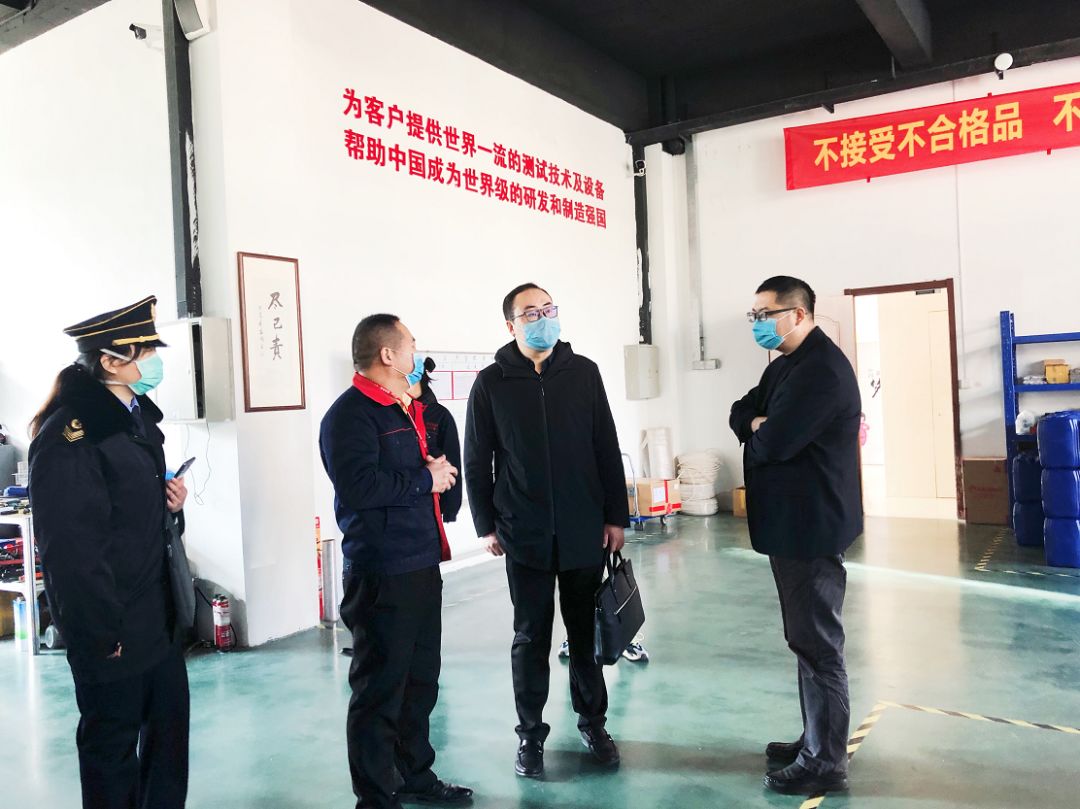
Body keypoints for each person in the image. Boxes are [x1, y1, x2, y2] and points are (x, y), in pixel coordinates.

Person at [27, 295, 190, 809]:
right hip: (112, 628)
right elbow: (71, 553)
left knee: (168, 746)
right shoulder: (71, 437)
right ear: (110, 362)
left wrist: (172, 506)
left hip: (157, 619)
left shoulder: (135, 420)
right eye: (145, 353)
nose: (154, 363)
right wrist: (99, 635)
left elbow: (136, 518)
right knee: (112, 756)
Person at [464, 283, 629, 779]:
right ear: (510, 325)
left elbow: (606, 446)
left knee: (585, 634)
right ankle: (531, 735)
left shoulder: (584, 373)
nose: (543, 319)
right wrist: (486, 524)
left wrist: (615, 515)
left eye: (549, 309)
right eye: (531, 313)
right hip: (524, 532)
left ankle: (594, 724)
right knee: (530, 636)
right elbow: (477, 460)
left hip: (583, 529)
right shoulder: (491, 383)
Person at [319, 314, 473, 809]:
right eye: (410, 345)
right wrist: (426, 480)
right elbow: (359, 487)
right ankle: (375, 797)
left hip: (421, 562)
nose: (414, 354)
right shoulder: (350, 416)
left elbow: (406, 472)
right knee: (379, 690)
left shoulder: (403, 408)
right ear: (388, 354)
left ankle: (414, 776)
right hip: (383, 571)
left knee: (420, 681)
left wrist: (431, 471)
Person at [729, 276, 862, 796]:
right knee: (805, 639)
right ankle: (815, 738)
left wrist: (761, 428)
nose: (758, 323)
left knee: (818, 645)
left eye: (766, 314)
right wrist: (756, 422)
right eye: (754, 315)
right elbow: (741, 411)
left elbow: (773, 444)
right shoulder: (786, 363)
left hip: (811, 526)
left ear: (800, 314)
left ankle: (825, 761)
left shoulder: (821, 371)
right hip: (791, 525)